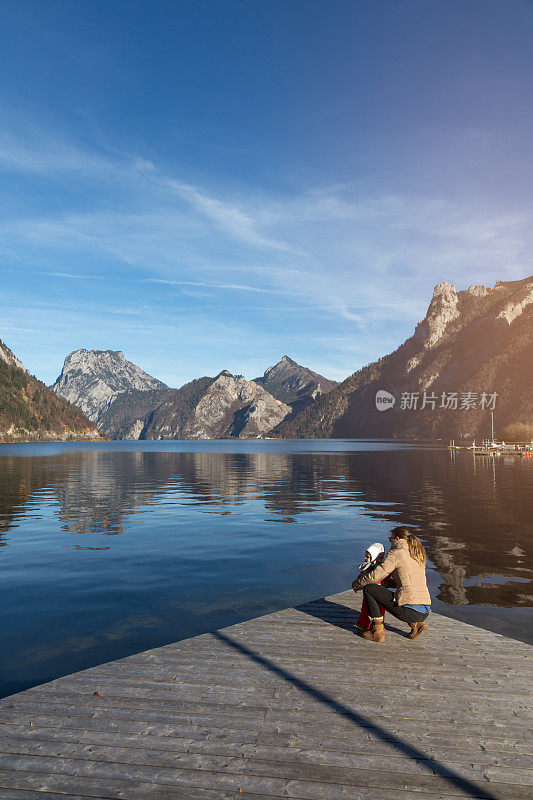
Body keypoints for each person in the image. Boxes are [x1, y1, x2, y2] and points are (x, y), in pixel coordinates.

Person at [351, 526, 431, 643]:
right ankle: (417, 624)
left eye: (390, 539)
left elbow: (376, 576)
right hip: (425, 611)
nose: (390, 542)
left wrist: (357, 584)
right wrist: (387, 583)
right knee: (383, 591)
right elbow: (406, 582)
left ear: (396, 538)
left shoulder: (396, 553)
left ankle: (377, 632)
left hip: (410, 611)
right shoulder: (417, 553)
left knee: (369, 589)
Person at [354, 542, 386, 635]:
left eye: (368, 557)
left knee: (379, 611)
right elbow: (361, 577)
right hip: (368, 594)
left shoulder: (380, 569)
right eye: (365, 556)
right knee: (365, 610)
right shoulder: (367, 567)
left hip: (379, 594)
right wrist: (358, 583)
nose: (365, 558)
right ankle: (363, 626)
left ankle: (377, 627)